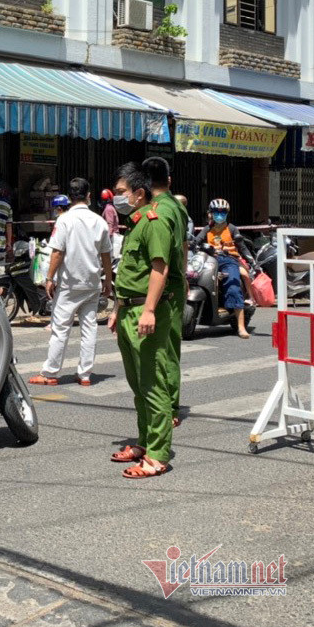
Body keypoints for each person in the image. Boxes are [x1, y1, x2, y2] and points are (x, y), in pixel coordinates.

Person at [108, 164, 176, 479]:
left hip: (145, 313)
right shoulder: (136, 223)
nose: (115, 197)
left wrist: (148, 309)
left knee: (153, 385)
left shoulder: (155, 220)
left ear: (139, 193)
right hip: (128, 310)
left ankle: (158, 455)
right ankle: (144, 443)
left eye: (121, 192)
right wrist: (118, 308)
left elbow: (159, 269)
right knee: (138, 385)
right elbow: (131, 273)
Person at [30, 179, 113, 386]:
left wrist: (49, 278)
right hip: (92, 283)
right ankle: (85, 375)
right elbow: (106, 256)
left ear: (70, 197)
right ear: (88, 196)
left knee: (60, 329)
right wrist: (108, 281)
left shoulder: (64, 220)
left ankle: (50, 373)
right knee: (89, 328)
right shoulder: (99, 221)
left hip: (69, 284)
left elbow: (57, 252)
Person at [142, 158, 188, 429]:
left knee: (164, 349)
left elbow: (160, 261)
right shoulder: (178, 207)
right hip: (176, 284)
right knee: (170, 347)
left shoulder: (159, 210)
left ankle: (168, 405)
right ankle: (168, 402)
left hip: (164, 287)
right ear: (169, 181)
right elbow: (183, 247)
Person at [193, 199, 253, 338]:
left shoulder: (232, 228)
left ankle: (241, 327)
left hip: (229, 260)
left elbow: (242, 246)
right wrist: (190, 243)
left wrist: (250, 259)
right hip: (209, 260)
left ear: (227, 213)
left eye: (222, 212)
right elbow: (196, 241)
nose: (219, 214)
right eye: (216, 212)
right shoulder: (207, 229)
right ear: (210, 213)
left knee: (233, 287)